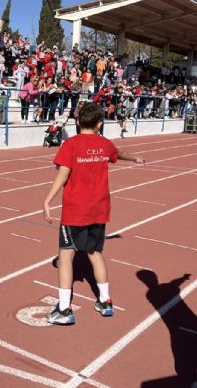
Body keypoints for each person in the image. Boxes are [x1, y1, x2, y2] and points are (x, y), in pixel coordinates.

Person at [42, 102, 145, 325]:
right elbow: (119, 153)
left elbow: (63, 174)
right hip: (99, 209)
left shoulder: (71, 145)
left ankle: (63, 309)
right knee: (95, 253)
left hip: (75, 211)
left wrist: (48, 199)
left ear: (78, 121)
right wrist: (134, 157)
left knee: (66, 256)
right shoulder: (104, 144)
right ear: (100, 123)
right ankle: (105, 301)